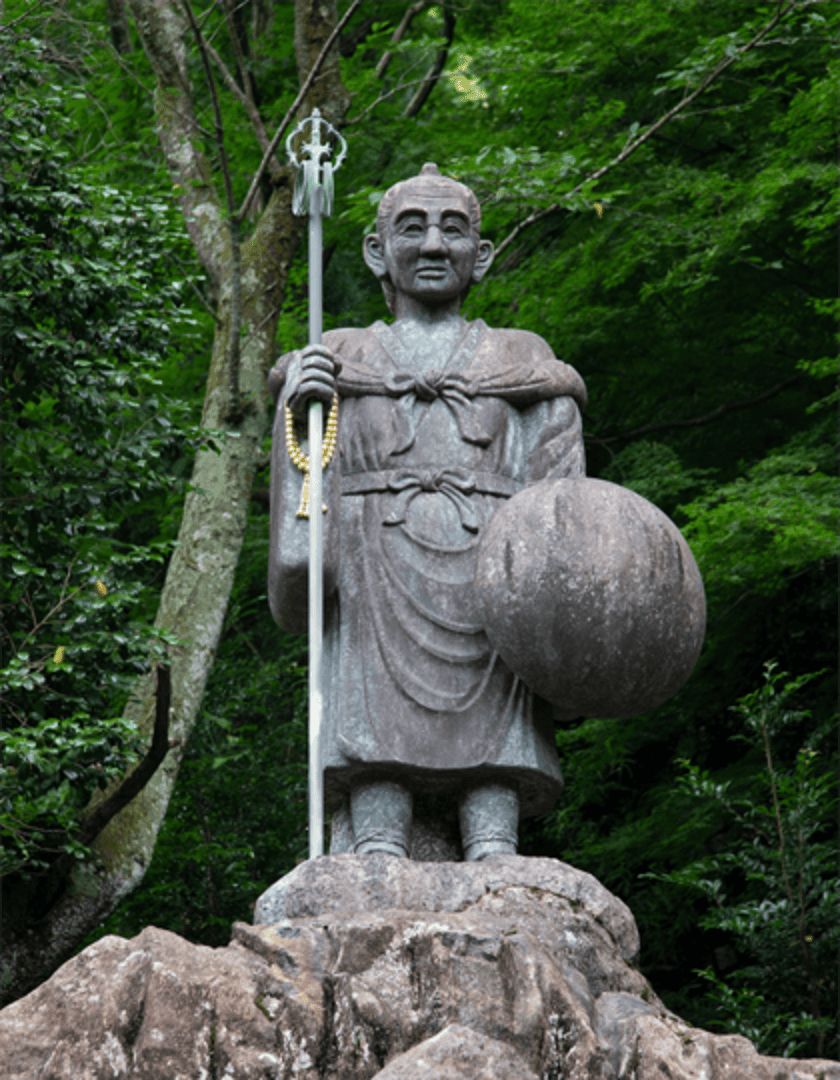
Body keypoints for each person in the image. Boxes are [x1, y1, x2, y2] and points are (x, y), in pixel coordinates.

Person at [267, 163, 587, 861]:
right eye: (412, 228)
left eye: (454, 229)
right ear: (377, 251)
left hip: (491, 565)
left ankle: (494, 842)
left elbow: (560, 495)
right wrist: (300, 405)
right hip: (376, 558)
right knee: (373, 714)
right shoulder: (341, 354)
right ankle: (376, 840)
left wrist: (554, 588)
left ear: (482, 253)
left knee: (497, 706)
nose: (435, 245)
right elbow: (307, 461)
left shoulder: (521, 358)